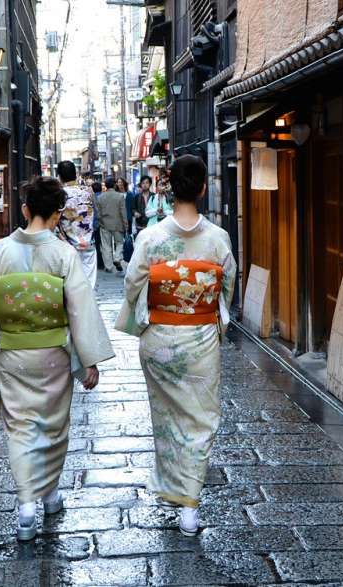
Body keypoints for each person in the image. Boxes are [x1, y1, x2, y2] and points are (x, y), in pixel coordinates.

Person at [0, 176, 115, 541]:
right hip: (53, 355)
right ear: (58, 214)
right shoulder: (63, 254)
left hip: (13, 353)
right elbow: (79, 309)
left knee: (20, 427)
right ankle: (48, 495)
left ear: (26, 208)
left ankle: (30, 503)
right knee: (52, 425)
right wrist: (89, 360)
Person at [115, 155, 236, 537]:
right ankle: (189, 504)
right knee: (200, 419)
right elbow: (227, 287)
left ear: (170, 188)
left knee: (167, 417)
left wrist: (145, 314)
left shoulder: (151, 238)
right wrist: (216, 316)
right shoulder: (218, 239)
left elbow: (132, 284)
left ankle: (174, 490)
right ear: (203, 188)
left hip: (160, 341)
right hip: (199, 338)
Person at [56, 161, 98, 288]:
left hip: (68, 243)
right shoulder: (88, 191)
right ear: (76, 174)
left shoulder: (60, 194)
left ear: (60, 176)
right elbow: (95, 212)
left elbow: (57, 219)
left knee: (71, 283)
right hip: (88, 241)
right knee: (89, 282)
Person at [96, 177, 128, 273]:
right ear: (114, 185)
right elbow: (123, 212)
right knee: (119, 243)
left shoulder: (100, 197)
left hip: (104, 224)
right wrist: (125, 224)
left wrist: (101, 222)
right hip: (118, 224)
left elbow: (98, 213)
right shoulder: (120, 196)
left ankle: (108, 266)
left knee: (106, 246)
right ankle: (117, 258)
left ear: (105, 185)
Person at [91, 181, 105, 270]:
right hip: (105, 223)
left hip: (95, 224)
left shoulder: (91, 198)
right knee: (105, 244)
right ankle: (106, 262)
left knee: (97, 244)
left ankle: (99, 263)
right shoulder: (104, 196)